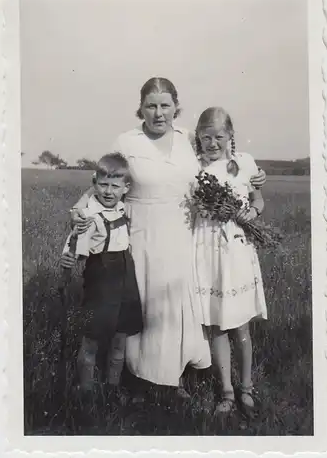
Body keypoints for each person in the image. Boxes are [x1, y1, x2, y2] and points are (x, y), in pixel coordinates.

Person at [70, 78, 266, 397]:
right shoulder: (127, 141)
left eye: (165, 105)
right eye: (151, 105)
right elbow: (105, 180)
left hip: (185, 232)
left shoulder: (188, 138)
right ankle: (142, 375)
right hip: (140, 231)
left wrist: (257, 176)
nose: (159, 113)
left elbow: (224, 160)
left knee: (179, 300)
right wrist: (80, 206)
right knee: (146, 302)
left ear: (176, 106)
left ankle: (177, 371)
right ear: (141, 108)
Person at [193, 107, 267, 415]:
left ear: (230, 136)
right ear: (198, 137)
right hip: (207, 250)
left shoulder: (244, 164)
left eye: (219, 137)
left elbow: (258, 200)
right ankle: (225, 390)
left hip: (236, 250)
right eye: (206, 137)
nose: (212, 144)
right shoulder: (193, 167)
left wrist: (253, 212)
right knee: (217, 325)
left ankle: (246, 387)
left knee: (239, 324)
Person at [60, 153, 143, 392]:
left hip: (126, 282)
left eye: (115, 186)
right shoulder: (89, 216)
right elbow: (74, 246)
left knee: (120, 338)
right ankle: (85, 389)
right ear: (94, 184)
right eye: (103, 185)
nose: (108, 191)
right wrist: (69, 257)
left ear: (126, 188)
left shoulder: (124, 210)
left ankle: (113, 387)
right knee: (92, 338)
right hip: (101, 283)